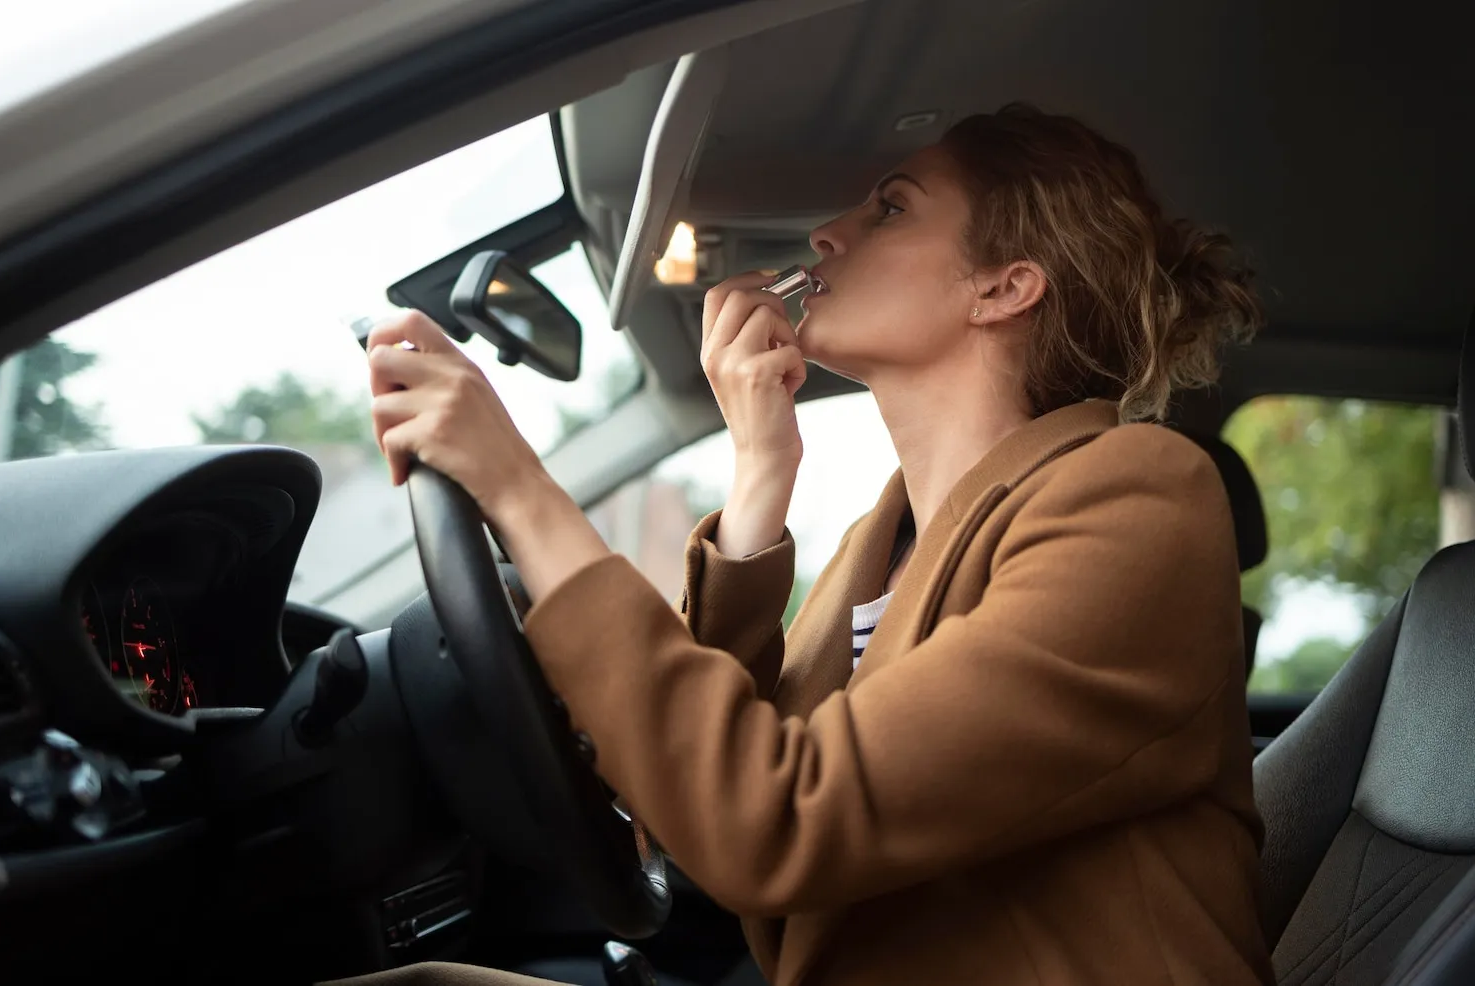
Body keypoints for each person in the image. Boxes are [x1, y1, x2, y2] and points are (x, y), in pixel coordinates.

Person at [338, 103, 1271, 986]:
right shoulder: (883, 544)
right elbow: (691, 793)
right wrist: (759, 473)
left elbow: (773, 817)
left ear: (1004, 287)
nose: (826, 234)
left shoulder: (1141, 495)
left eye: (891, 208)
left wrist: (520, 491)